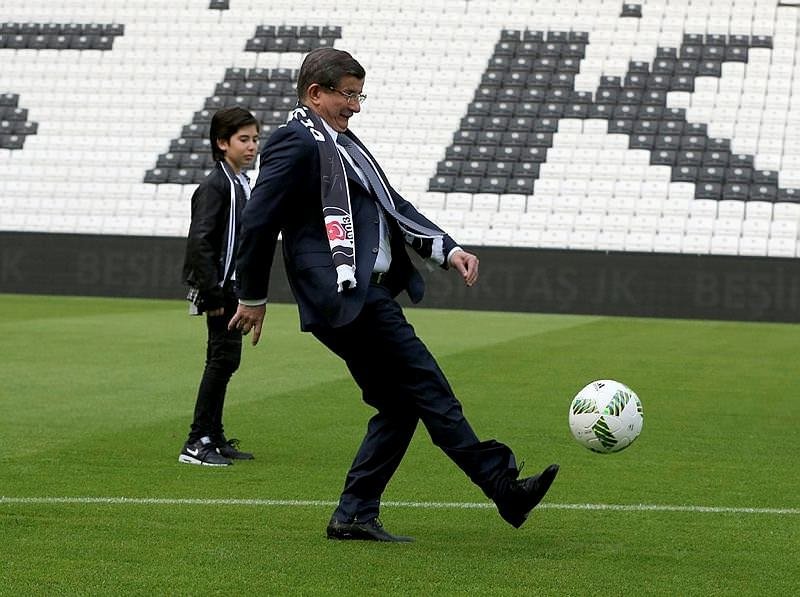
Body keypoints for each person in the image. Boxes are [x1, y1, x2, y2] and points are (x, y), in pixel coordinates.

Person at [229, 48, 559, 540]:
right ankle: (502, 486)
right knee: (429, 387)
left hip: (360, 295)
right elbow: (258, 221)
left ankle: (354, 514)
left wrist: (449, 249)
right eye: (347, 95)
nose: (355, 106)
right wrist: (253, 296)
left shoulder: (341, 144)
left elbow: (392, 204)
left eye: (359, 95)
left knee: (400, 405)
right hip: (349, 296)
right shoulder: (293, 142)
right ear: (315, 93)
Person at [179, 106, 260, 467]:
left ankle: (214, 433)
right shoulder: (216, 186)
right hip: (220, 289)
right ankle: (197, 441)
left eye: (255, 139)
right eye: (244, 139)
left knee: (226, 360)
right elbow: (200, 242)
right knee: (220, 360)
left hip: (231, 287)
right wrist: (212, 293)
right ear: (222, 142)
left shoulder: (237, 182)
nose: (252, 146)